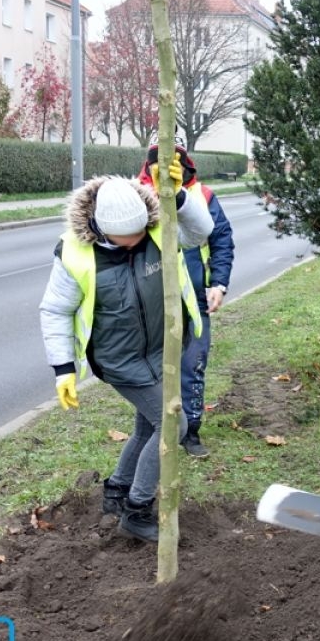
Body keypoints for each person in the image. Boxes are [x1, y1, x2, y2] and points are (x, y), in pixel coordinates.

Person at [39, 160, 213, 543]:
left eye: (138, 231)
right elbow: (55, 310)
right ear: (102, 229)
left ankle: (117, 491)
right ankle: (137, 508)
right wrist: (63, 368)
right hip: (119, 360)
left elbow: (202, 232)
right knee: (174, 424)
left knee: (150, 424)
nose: (135, 240)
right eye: (125, 236)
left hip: (160, 351)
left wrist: (180, 196)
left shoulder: (156, 229)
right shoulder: (75, 253)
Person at [139, 144, 235, 458]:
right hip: (150, 304)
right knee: (152, 372)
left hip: (194, 299)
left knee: (192, 365)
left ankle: (190, 432)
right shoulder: (136, 195)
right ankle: (154, 429)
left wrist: (219, 283)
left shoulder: (201, 197)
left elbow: (221, 239)